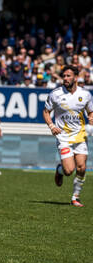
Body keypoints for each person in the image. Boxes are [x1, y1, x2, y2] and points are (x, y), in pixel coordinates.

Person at [43, 65, 93, 207]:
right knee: (69, 171)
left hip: (80, 136)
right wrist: (52, 126)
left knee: (82, 167)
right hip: (63, 137)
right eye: (64, 76)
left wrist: (91, 118)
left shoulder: (86, 95)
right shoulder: (55, 94)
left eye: (68, 76)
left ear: (76, 78)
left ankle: (75, 197)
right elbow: (46, 112)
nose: (65, 78)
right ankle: (60, 170)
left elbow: (90, 111)